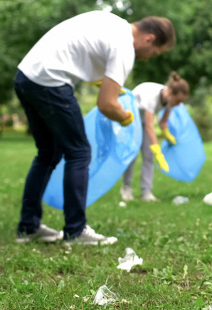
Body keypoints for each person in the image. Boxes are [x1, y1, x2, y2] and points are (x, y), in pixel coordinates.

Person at [14, 11, 176, 245]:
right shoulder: (125, 48)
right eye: (155, 52)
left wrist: (99, 80)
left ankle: (29, 226)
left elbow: (78, 50)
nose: (150, 57)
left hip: (26, 76)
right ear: (149, 38)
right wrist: (126, 117)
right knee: (79, 152)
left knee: (47, 154)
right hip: (51, 82)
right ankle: (75, 231)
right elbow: (107, 104)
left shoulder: (111, 22)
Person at [120, 72, 189, 202]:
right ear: (170, 93)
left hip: (145, 122)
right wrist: (158, 150)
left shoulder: (170, 101)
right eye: (178, 100)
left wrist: (167, 135)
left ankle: (146, 193)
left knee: (148, 156)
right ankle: (126, 188)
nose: (179, 104)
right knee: (133, 156)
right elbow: (150, 126)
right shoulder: (151, 95)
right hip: (131, 120)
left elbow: (162, 122)